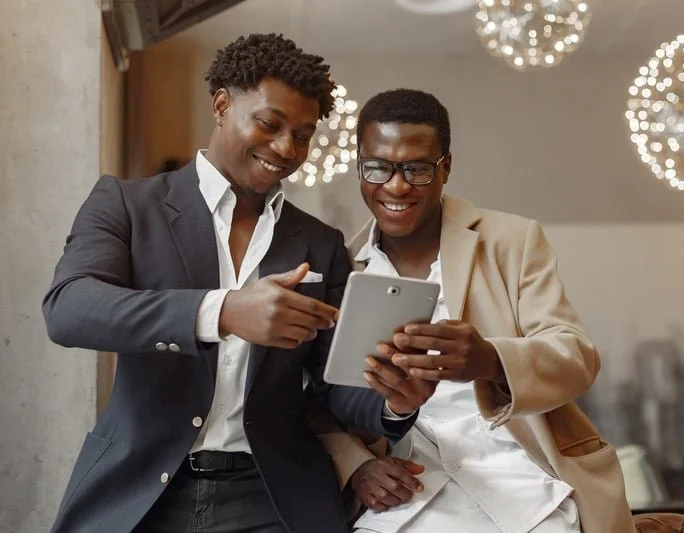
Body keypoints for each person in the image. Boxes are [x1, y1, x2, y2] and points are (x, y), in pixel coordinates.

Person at [42, 36, 434, 533]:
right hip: (138, 490)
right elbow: (69, 308)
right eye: (269, 124)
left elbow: (335, 385)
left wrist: (396, 402)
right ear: (222, 105)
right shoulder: (127, 205)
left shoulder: (321, 243)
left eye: (302, 135)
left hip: (271, 495)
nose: (286, 149)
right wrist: (222, 312)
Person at [316, 89, 635, 533]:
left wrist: (491, 360)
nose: (396, 185)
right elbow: (320, 400)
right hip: (409, 498)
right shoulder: (345, 267)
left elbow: (576, 357)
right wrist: (356, 466)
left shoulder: (511, 240)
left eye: (417, 169)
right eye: (378, 167)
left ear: (445, 167)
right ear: (359, 167)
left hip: (526, 490)